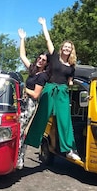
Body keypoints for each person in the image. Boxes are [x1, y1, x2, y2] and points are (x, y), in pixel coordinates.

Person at [24, 17, 81, 161]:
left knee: (64, 120)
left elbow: (70, 82)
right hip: (50, 89)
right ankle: (30, 141)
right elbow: (48, 40)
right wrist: (44, 25)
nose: (67, 49)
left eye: (69, 48)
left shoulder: (72, 67)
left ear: (71, 51)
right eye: (65, 47)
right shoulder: (54, 56)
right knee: (41, 116)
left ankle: (68, 148)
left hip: (62, 91)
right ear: (62, 48)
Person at [16, 28, 49, 169]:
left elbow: (36, 94)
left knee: (20, 130)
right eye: (39, 58)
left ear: (46, 63)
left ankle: (19, 158)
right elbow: (22, 56)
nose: (40, 61)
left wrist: (24, 88)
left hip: (30, 105)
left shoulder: (42, 76)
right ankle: (17, 157)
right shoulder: (33, 71)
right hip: (22, 103)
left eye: (44, 60)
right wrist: (22, 38)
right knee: (18, 130)